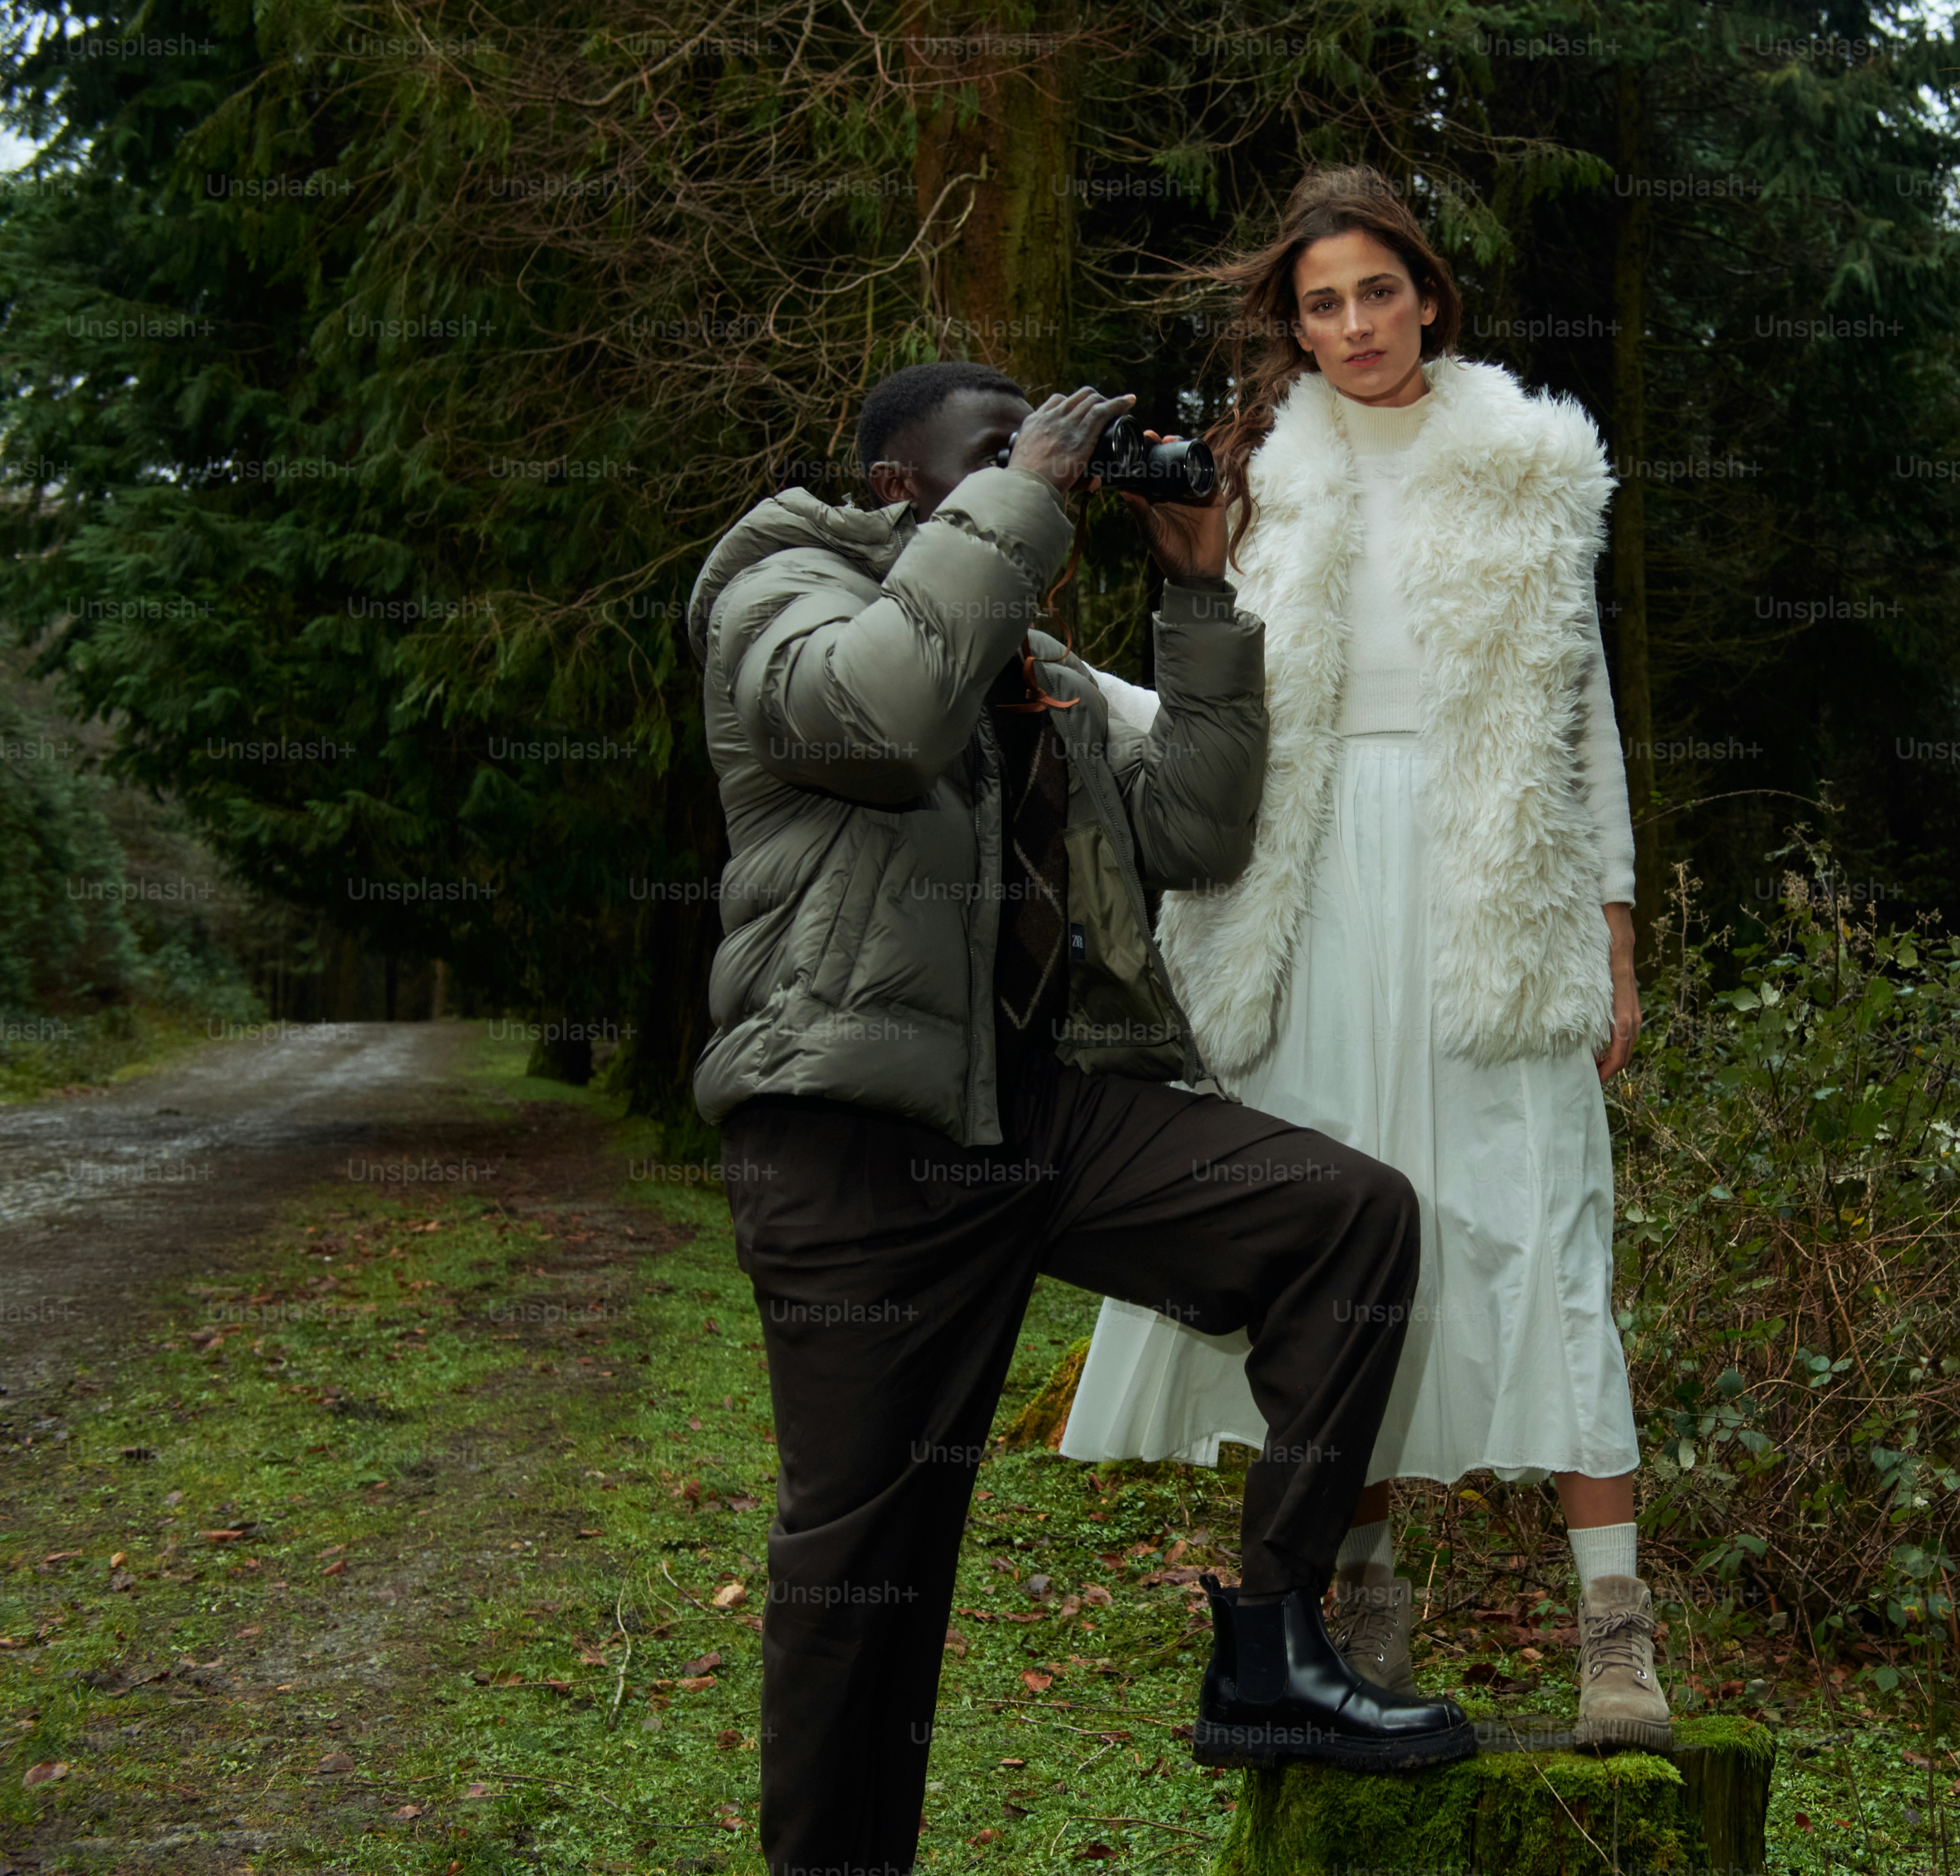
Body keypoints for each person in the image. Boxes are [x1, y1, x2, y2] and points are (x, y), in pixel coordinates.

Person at [684, 360, 1475, 1876]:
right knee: (869, 1581)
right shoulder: (775, 586)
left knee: (1345, 1216)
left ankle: (1270, 1647)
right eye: (996, 454)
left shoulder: (1024, 650)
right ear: (899, 485)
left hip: (1033, 1123)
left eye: (1045, 455)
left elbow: (1193, 824)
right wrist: (1031, 493)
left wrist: (1196, 595)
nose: (1044, 473)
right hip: (851, 1140)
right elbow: (874, 721)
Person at [1060, 169, 1670, 1754]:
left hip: (1490, 884)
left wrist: (1610, 921)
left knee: (1534, 1227)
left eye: (1376, 294)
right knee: (1344, 1234)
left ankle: (1617, 1641)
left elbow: (1578, 710)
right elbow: (1204, 709)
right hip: (1308, 885)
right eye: (1322, 305)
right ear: (1295, 324)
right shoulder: (1258, 475)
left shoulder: (1534, 461)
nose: (1354, 328)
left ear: (1427, 295)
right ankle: (1361, 1617)